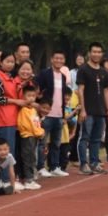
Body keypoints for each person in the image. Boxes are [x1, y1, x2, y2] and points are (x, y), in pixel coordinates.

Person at [76, 42, 108, 176]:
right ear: (89, 53)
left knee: (97, 139)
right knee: (85, 137)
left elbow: (106, 92)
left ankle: (94, 163)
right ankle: (83, 164)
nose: (96, 54)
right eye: (94, 51)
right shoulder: (83, 69)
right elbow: (80, 90)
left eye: (99, 52)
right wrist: (83, 110)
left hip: (100, 111)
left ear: (102, 54)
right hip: (88, 111)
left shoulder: (103, 71)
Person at [36, 50, 69, 178]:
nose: (59, 61)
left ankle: (54, 166)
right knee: (42, 142)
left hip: (59, 115)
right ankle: (40, 167)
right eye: (56, 58)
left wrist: (63, 115)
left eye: (61, 59)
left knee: (56, 143)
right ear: (52, 59)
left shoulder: (63, 77)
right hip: (46, 114)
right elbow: (36, 88)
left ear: (64, 61)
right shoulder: (44, 74)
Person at [0, 52, 24, 160]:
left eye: (12, 62)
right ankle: (4, 176)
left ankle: (8, 175)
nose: (10, 64)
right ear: (0, 63)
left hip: (11, 118)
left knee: (10, 150)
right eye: (7, 61)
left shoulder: (10, 78)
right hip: (4, 119)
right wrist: (16, 101)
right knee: (5, 151)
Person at [15, 83, 44, 190]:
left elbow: (36, 123)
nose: (31, 98)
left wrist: (40, 131)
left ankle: (30, 177)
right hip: (28, 137)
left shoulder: (33, 109)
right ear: (23, 97)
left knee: (32, 158)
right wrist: (39, 132)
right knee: (28, 158)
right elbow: (27, 125)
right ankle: (28, 179)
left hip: (34, 136)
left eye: (33, 96)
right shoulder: (24, 110)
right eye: (29, 96)